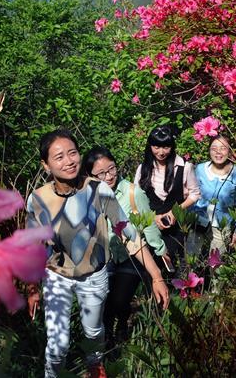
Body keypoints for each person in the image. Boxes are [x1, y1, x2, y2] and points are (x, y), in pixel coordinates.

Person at [26, 129, 169, 378]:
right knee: (57, 345)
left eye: (72, 153)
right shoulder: (38, 199)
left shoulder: (98, 190)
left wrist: (156, 276)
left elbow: (128, 234)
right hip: (56, 276)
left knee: (93, 333)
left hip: (93, 275)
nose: (69, 161)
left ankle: (95, 366)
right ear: (45, 165)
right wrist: (32, 288)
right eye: (59, 157)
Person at [83, 146, 169, 348]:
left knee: (120, 299)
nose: (109, 176)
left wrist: (161, 250)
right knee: (105, 303)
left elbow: (148, 225)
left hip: (132, 256)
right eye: (101, 173)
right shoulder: (87, 196)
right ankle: (108, 342)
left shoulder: (133, 192)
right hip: (105, 256)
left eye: (111, 169)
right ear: (90, 175)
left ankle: (122, 325)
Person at [133, 125, 201, 268]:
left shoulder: (185, 167)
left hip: (176, 228)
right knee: (151, 266)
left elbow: (195, 194)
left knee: (174, 264)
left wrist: (176, 211)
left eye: (166, 147)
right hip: (150, 227)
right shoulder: (143, 168)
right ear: (150, 146)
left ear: (172, 146)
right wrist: (153, 218)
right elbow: (135, 197)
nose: (161, 152)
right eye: (156, 147)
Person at [192, 134, 236, 255]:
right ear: (209, 150)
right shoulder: (200, 169)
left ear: (230, 151)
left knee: (215, 261)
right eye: (214, 148)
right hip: (199, 220)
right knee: (191, 256)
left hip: (222, 225)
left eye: (223, 148)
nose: (218, 152)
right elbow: (192, 194)